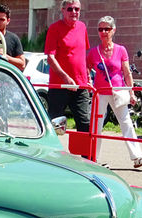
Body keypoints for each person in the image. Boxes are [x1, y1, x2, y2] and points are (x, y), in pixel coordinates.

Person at [87, 16, 142, 168]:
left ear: (113, 30)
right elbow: (86, 68)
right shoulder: (93, 52)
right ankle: (93, 158)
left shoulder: (121, 50)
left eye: (106, 29)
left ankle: (137, 157)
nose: (103, 32)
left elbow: (127, 72)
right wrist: (89, 82)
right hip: (100, 93)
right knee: (97, 125)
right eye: (100, 29)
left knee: (126, 123)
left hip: (119, 91)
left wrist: (131, 92)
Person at [44, 0, 91, 134]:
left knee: (85, 123)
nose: (74, 12)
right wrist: (66, 78)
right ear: (63, 10)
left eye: (77, 9)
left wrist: (88, 76)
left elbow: (82, 55)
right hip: (59, 86)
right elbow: (50, 58)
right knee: (54, 124)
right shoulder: (54, 29)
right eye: (70, 9)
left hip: (80, 86)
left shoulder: (82, 27)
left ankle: (85, 155)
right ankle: (51, 154)